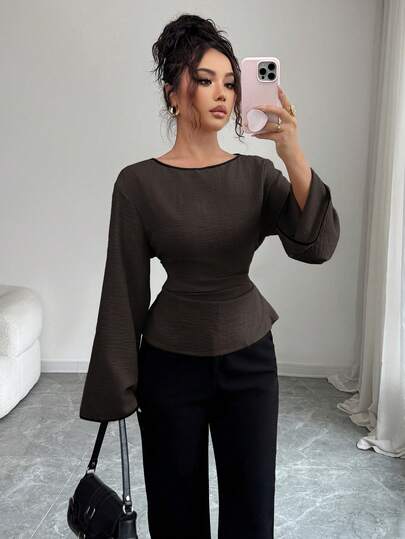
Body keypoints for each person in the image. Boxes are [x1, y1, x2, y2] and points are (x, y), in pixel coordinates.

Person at [79, 13, 340, 539]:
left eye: (230, 83)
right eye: (204, 80)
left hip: (250, 361)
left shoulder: (256, 174)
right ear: (173, 93)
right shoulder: (137, 184)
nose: (222, 94)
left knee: (251, 513)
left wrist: (290, 151)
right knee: (176, 516)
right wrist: (117, 390)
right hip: (169, 367)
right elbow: (123, 289)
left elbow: (317, 245)